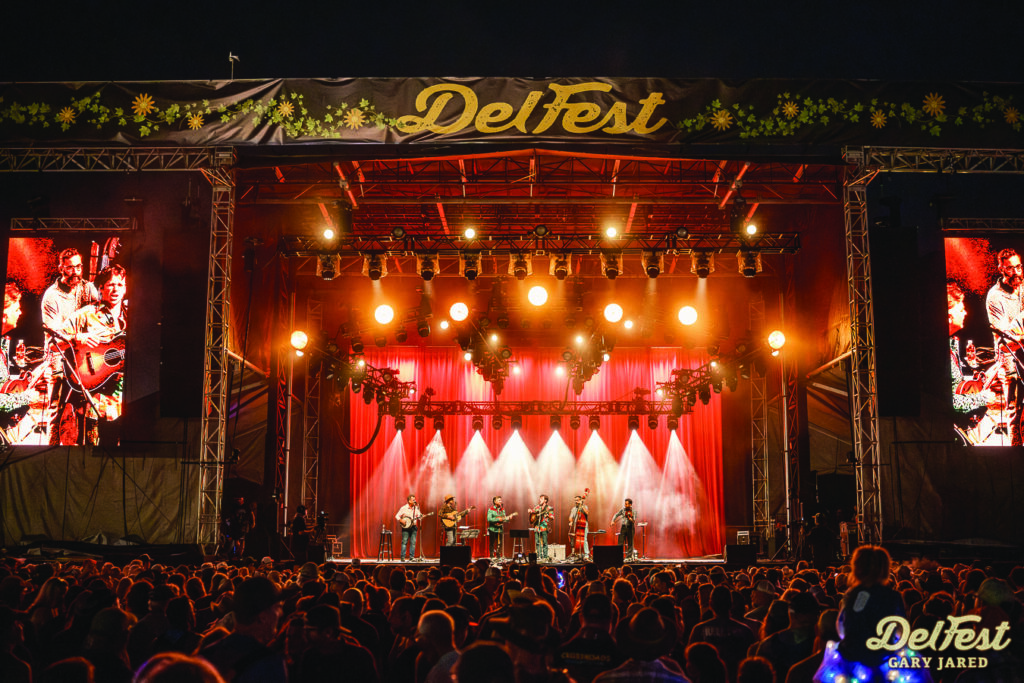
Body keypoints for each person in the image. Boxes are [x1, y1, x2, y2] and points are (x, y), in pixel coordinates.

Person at [51, 265, 126, 445]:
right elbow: (53, 342)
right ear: (101, 288)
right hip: (92, 401)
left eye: (120, 285)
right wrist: (77, 338)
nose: (115, 289)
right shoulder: (86, 314)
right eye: (110, 285)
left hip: (122, 402)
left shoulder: (132, 318)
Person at [986, 248, 1024, 445]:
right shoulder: (995, 297)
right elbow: (1004, 340)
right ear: (1001, 269)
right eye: (1010, 268)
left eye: (1019, 266)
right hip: (1010, 362)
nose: (1017, 272)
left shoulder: (1023, 288)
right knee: (1014, 413)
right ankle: (1016, 454)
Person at [0, 281, 42, 423]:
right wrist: (27, 397)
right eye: (16, 309)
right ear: (4, 314)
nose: (20, 312)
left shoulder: (4, 342)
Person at [395, 494, 422, 562]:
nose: (415, 501)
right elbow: (397, 516)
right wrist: (401, 520)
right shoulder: (403, 508)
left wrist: (420, 516)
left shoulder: (416, 508)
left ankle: (411, 557)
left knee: (413, 542)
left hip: (413, 527)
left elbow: (419, 515)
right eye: (413, 500)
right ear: (409, 501)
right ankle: (403, 557)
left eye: (415, 500)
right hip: (406, 527)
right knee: (404, 542)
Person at [529, 494, 554, 562]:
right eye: (540, 499)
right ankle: (539, 556)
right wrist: (530, 511)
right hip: (537, 527)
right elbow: (533, 513)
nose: (540, 500)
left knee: (545, 543)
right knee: (537, 542)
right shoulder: (537, 507)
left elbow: (552, 517)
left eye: (541, 499)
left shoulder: (549, 508)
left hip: (544, 527)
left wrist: (548, 516)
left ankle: (545, 557)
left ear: (545, 500)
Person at [569, 494, 590, 560]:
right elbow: (570, 517)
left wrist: (582, 505)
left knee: (584, 539)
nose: (576, 502)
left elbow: (587, 513)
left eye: (577, 500)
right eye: (575, 500)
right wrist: (571, 521)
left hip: (583, 525)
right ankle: (578, 554)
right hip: (576, 525)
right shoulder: (574, 509)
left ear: (581, 500)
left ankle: (586, 554)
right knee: (577, 540)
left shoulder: (585, 507)